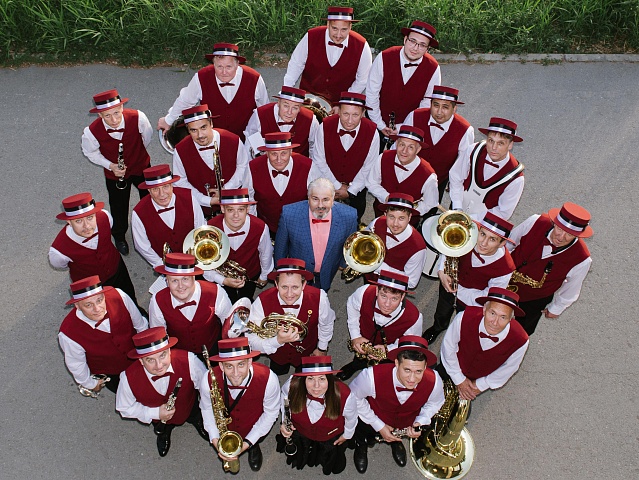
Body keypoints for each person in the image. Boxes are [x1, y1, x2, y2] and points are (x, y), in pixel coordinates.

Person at [349, 336, 444, 473]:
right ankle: (361, 445)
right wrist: (378, 425)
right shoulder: (370, 377)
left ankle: (395, 441)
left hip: (404, 422)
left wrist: (420, 421)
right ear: (396, 363)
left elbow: (435, 403)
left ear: (425, 367)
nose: (412, 379)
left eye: (418, 371)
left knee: (396, 435)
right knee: (363, 432)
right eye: (407, 370)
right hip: (372, 417)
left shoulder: (435, 381)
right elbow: (353, 397)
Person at [423, 211, 516, 345]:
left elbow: (489, 296)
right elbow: (448, 248)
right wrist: (442, 271)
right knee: (442, 311)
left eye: (492, 239)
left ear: (502, 243)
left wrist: (458, 291)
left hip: (472, 301)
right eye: (482, 234)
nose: (483, 243)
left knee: (465, 322)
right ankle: (438, 327)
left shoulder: (505, 268)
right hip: (448, 283)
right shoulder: (468, 236)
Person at [116, 327, 208, 456]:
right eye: (150, 360)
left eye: (162, 355)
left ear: (169, 351)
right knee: (162, 427)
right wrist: (155, 413)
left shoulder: (190, 361)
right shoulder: (127, 378)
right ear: (141, 361)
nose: (159, 365)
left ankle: (198, 421)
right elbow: (124, 408)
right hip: (159, 419)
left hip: (189, 406)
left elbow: (206, 388)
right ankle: (164, 433)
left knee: (194, 414)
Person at [81, 89, 152, 255]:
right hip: (114, 174)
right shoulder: (91, 132)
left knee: (150, 199)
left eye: (116, 113)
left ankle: (150, 228)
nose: (113, 120)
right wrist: (110, 165)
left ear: (121, 107)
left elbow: (146, 138)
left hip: (141, 166)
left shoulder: (138, 118)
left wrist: (137, 156)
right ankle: (119, 236)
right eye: (107, 116)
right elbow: (90, 153)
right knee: (118, 207)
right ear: (100, 115)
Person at [507, 202, 593, 335]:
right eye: (560, 229)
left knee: (520, 332)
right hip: (504, 280)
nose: (561, 237)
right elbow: (509, 242)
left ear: (577, 235)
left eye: (569, 234)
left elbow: (572, 288)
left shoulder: (582, 259)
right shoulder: (535, 221)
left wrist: (556, 308)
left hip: (534, 299)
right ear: (554, 223)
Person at [49, 192, 141, 310]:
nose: (87, 226)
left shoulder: (105, 217)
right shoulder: (58, 252)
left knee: (129, 295)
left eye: (90, 217)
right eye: (78, 221)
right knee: (104, 310)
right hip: (90, 287)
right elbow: (60, 265)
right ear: (69, 222)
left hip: (117, 269)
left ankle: (135, 312)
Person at [158, 43, 268, 141]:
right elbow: (185, 101)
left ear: (237, 64)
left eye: (228, 67)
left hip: (246, 138)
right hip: (214, 139)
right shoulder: (201, 77)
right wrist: (168, 120)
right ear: (213, 64)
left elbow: (264, 110)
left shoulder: (254, 79)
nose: (224, 72)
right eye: (219, 66)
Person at [200, 337, 280, 472]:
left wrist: (248, 443)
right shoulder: (207, 379)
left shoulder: (269, 379)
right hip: (225, 428)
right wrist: (215, 439)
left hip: (254, 424)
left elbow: (271, 413)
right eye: (229, 366)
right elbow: (207, 409)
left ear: (250, 362)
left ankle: (253, 446)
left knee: (255, 438)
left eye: (241, 364)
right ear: (221, 366)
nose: (236, 373)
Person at [59, 276, 147, 396]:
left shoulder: (118, 296)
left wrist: (147, 351)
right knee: (130, 396)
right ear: (77, 306)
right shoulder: (69, 333)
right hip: (112, 374)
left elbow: (140, 324)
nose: (97, 309)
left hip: (140, 357)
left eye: (99, 300)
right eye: (88, 305)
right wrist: (90, 384)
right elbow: (76, 364)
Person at [247, 258, 336, 376]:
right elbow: (251, 341)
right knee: (278, 370)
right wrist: (277, 341)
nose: (289, 294)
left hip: (307, 350)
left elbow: (327, 324)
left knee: (303, 376)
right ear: (276, 284)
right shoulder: (262, 301)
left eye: (295, 287)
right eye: (284, 287)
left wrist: (322, 348)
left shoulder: (320, 298)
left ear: (304, 284)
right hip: (278, 353)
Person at [439, 287, 529, 401]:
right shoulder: (463, 317)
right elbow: (448, 347)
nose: (495, 322)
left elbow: (508, 368)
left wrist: (479, 385)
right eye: (492, 313)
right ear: (484, 309)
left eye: (503, 317)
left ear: (511, 318)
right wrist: (459, 379)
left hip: (478, 380)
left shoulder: (521, 340)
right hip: (451, 366)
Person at [277, 356, 358, 475]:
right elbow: (284, 397)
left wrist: (347, 435)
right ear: (303, 379)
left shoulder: (345, 395)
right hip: (302, 432)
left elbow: (352, 417)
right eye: (310, 378)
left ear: (329, 379)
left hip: (330, 436)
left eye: (322, 379)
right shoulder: (292, 385)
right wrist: (285, 419)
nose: (316, 386)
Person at [274, 178, 358, 291]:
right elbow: (280, 247)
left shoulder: (349, 215)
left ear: (333, 199)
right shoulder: (289, 214)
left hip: (327, 272)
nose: (320, 205)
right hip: (297, 272)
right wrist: (281, 270)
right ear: (308, 198)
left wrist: (343, 263)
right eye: (315, 199)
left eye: (326, 199)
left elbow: (350, 243)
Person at [338, 270, 423, 381]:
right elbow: (351, 305)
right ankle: (356, 365)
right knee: (359, 359)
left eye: (394, 298)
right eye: (383, 296)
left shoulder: (414, 317)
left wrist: (389, 350)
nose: (387, 304)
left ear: (402, 297)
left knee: (385, 373)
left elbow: (411, 344)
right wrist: (355, 336)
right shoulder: (364, 293)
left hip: (389, 351)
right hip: (364, 340)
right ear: (377, 290)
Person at [310, 91, 379, 223]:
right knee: (321, 221)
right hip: (325, 186)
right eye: (346, 114)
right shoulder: (324, 126)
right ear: (339, 111)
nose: (350, 120)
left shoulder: (372, 132)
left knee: (353, 221)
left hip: (357, 189)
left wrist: (351, 190)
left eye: (355, 115)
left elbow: (369, 166)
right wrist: (336, 186)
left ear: (363, 113)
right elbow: (318, 159)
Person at [366, 20, 441, 142]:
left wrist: (403, 127)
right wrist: (380, 124)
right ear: (405, 39)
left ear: (427, 48)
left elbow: (427, 103)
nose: (415, 48)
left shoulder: (433, 68)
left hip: (410, 125)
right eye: (413, 41)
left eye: (422, 45)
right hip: (376, 119)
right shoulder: (384, 57)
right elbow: (371, 93)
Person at [283, 6, 372, 106]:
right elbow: (296, 64)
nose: (338, 35)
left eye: (344, 29)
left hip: (338, 104)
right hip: (307, 99)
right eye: (334, 28)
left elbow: (362, 80)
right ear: (328, 24)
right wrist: (287, 93)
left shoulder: (362, 46)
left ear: (350, 27)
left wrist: (344, 103)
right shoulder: (311, 36)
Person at [148, 253, 232, 356]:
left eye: (185, 279)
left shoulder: (216, 292)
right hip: (181, 354)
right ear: (167, 282)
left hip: (214, 347)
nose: (180, 286)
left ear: (193, 277)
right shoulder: (157, 301)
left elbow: (229, 327)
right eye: (174, 280)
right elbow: (159, 338)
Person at [172, 104, 248, 217]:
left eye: (203, 127)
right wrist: (206, 200)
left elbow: (243, 168)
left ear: (211, 124)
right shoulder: (180, 150)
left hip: (233, 205)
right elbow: (180, 182)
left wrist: (226, 190)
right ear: (188, 130)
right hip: (199, 208)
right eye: (193, 130)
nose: (200, 135)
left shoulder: (233, 140)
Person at [402, 86, 474, 201]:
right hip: (406, 176)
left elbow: (463, 163)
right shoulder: (414, 116)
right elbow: (399, 146)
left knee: (430, 210)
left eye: (445, 107)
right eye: (436, 105)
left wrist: (454, 183)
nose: (439, 112)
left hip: (438, 182)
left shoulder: (465, 130)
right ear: (430, 104)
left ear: (454, 108)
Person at [448, 117, 525, 220]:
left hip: (483, 224)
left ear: (510, 145)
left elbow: (503, 212)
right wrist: (457, 206)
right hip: (457, 207)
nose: (494, 147)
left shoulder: (516, 178)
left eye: (500, 143)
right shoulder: (473, 150)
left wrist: (471, 219)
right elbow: (456, 175)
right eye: (491, 141)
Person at [244, 132, 320, 236]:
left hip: (301, 228)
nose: (279, 160)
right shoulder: (252, 167)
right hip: (267, 228)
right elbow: (249, 201)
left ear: (291, 151)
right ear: (267, 153)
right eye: (274, 154)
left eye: (283, 153)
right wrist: (256, 228)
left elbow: (318, 199)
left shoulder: (308, 166)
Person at [131, 164, 206, 269]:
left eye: (165, 186)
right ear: (149, 190)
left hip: (194, 257)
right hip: (165, 265)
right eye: (155, 189)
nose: (162, 194)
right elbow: (142, 247)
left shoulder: (189, 197)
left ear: (172, 185)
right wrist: (164, 266)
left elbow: (200, 226)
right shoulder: (138, 213)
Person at [206, 188, 273, 303]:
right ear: (222, 209)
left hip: (250, 274)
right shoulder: (210, 227)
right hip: (221, 276)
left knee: (246, 298)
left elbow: (266, 253)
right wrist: (222, 280)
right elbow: (203, 263)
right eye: (230, 210)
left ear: (248, 209)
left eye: (241, 209)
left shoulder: (260, 227)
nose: (236, 215)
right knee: (224, 301)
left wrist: (264, 275)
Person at [367, 125, 438, 222]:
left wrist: (408, 213)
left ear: (418, 150)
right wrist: (386, 197)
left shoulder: (429, 176)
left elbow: (430, 203)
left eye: (411, 147)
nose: (404, 151)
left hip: (409, 222)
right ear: (396, 143)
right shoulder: (383, 157)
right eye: (402, 145)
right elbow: (371, 182)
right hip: (380, 215)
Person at [366, 193, 427, 289]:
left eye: (401, 218)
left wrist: (380, 267)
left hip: (392, 289)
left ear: (409, 217)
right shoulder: (377, 223)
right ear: (385, 214)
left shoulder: (418, 248)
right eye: (391, 217)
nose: (395, 224)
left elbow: (411, 282)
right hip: (368, 276)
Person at [244, 86, 319, 157]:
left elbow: (316, 148)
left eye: (295, 108)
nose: (289, 112)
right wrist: (260, 155)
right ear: (278, 103)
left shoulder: (311, 120)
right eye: (286, 106)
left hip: (299, 164)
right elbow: (251, 137)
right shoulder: (260, 114)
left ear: (300, 108)